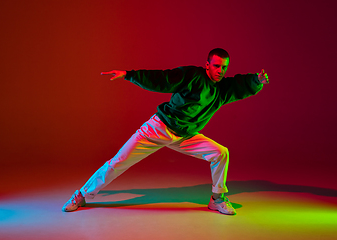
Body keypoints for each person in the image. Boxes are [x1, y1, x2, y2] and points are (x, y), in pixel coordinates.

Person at [62, 48, 269, 215]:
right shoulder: (192, 75)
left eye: (224, 67)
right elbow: (163, 79)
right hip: (159, 128)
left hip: (185, 136)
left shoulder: (223, 89)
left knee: (220, 153)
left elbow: (241, 84)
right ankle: (81, 195)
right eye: (216, 66)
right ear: (207, 65)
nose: (220, 70)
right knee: (118, 161)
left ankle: (217, 199)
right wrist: (129, 75)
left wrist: (256, 81)